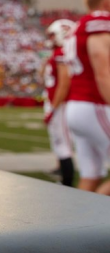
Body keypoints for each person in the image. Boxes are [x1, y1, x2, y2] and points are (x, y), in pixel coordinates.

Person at [65, 0, 110, 195]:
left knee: (91, 176)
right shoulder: (98, 23)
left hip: (78, 106)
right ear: (106, 3)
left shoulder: (79, 25)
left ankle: (78, 226)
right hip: (94, 104)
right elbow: (102, 68)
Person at [43, 19, 75, 186]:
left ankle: (68, 183)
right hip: (58, 103)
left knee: (63, 146)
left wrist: (53, 109)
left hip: (61, 105)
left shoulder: (62, 52)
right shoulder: (57, 52)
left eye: (53, 34)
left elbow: (64, 83)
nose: (51, 38)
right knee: (61, 144)